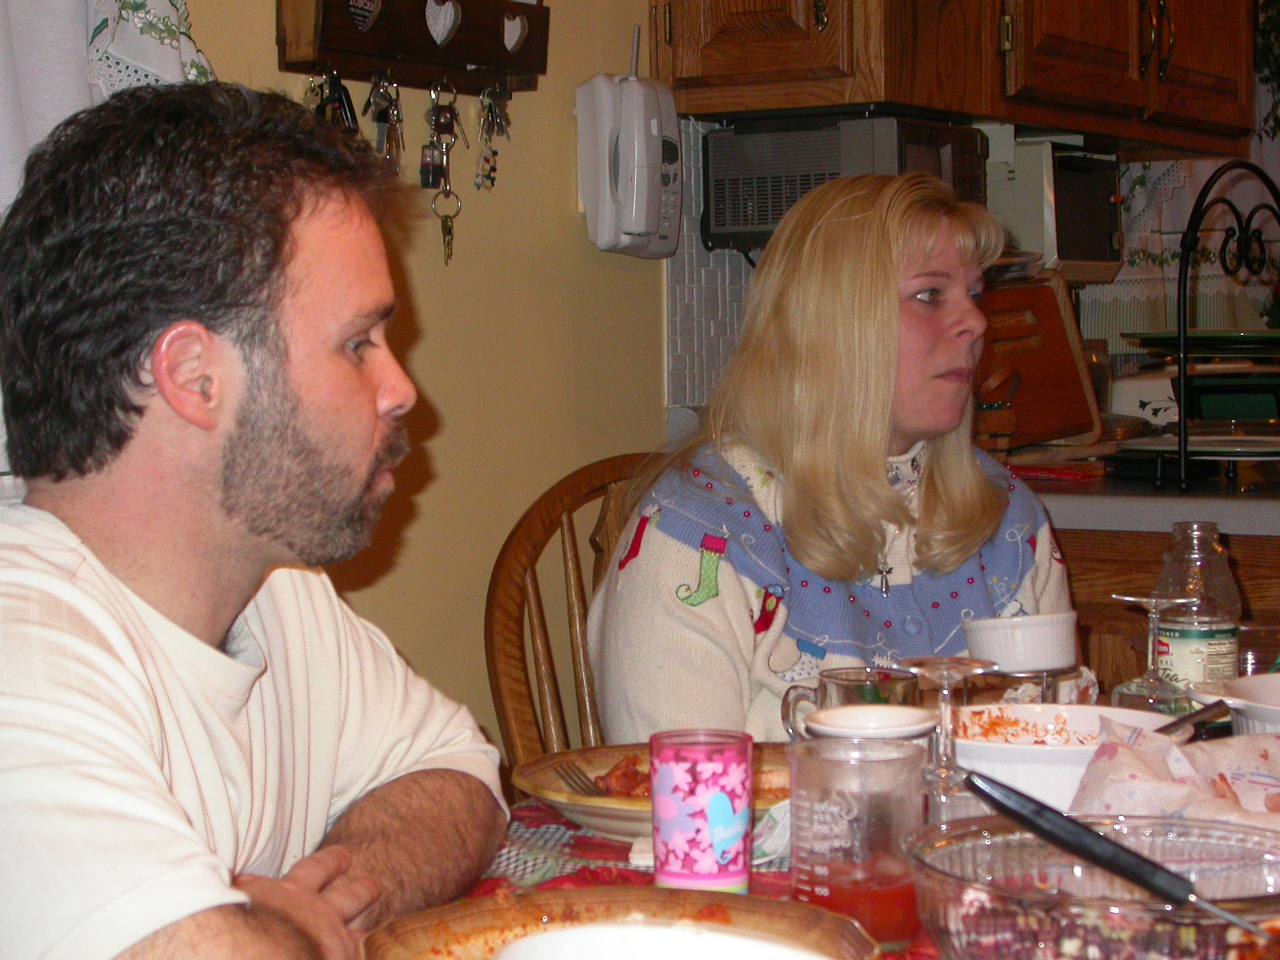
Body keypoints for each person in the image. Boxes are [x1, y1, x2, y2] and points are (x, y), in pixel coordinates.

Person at [0, 83, 507, 960]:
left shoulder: (275, 588)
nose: (401, 390)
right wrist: (266, 934)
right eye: (357, 344)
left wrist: (321, 905)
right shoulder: (24, 654)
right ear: (194, 378)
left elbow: (462, 774)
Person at [588, 173, 1072, 743]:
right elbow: (680, 792)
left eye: (975, 293)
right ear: (832, 323)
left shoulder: (1008, 517)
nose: (977, 322)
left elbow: (1066, 749)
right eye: (930, 294)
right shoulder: (693, 537)